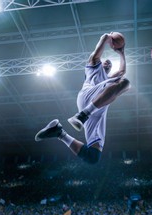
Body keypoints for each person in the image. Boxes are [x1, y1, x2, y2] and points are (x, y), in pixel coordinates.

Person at [35, 32, 131, 164]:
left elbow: (121, 71)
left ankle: (59, 132)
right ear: (101, 63)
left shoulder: (108, 80)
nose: (108, 63)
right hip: (88, 96)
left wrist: (121, 52)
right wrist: (107, 38)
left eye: (110, 64)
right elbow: (98, 50)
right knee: (125, 83)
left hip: (97, 111)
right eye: (106, 62)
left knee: (93, 157)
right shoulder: (93, 67)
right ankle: (82, 115)